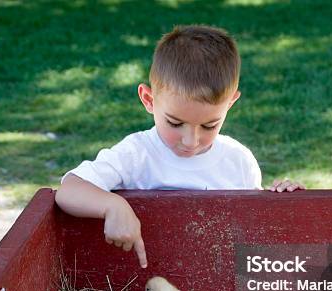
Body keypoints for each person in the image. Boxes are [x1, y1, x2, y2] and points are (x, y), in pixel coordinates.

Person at [55, 25, 304, 269]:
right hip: (144, 284)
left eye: (209, 125)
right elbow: (69, 191)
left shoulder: (238, 160)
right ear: (149, 100)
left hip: (214, 284)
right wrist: (112, 205)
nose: (190, 141)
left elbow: (253, 230)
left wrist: (282, 199)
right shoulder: (136, 154)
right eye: (175, 123)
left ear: (230, 103)